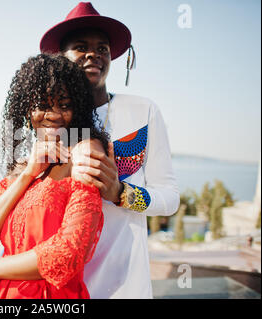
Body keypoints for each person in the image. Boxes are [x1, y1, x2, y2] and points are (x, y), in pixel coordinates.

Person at [39, 2, 180, 298]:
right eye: (80, 47)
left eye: (102, 48)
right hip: (61, 290)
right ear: (60, 58)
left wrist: (120, 193)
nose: (94, 54)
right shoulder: (46, 122)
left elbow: (170, 199)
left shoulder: (143, 111)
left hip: (127, 287)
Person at [0, 54, 110, 299]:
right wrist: (28, 174)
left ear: (77, 109)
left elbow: (68, 254)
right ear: (27, 109)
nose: (54, 114)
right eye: (43, 104)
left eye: (65, 105)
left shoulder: (83, 153)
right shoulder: (27, 163)